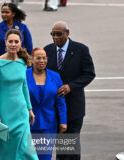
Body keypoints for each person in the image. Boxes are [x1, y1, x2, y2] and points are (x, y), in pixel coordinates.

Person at [44, 21, 95, 160]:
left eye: (59, 34)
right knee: (61, 144)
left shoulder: (81, 50)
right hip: (54, 107)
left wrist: (71, 86)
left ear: (67, 32)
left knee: (71, 144)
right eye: (53, 34)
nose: (55, 37)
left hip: (73, 106)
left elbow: (89, 74)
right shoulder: (47, 50)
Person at [0, 29, 38, 160]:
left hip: (21, 112)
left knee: (27, 151)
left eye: (16, 42)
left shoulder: (23, 62)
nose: (13, 44)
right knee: (6, 150)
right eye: (10, 41)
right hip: (4, 112)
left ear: (20, 43)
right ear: (5, 42)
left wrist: (29, 109)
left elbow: (24, 86)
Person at [27, 48, 67, 160]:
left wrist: (63, 121)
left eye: (44, 58)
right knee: (28, 156)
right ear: (31, 59)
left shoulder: (55, 76)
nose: (42, 61)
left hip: (48, 125)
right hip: (27, 123)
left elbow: (60, 102)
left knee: (45, 157)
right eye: (38, 58)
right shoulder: (24, 75)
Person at [0, 3, 33, 75]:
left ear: (13, 14)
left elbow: (29, 48)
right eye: (2, 12)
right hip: (1, 66)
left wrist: (28, 66)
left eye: (7, 12)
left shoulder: (23, 27)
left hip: (20, 65)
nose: (3, 14)